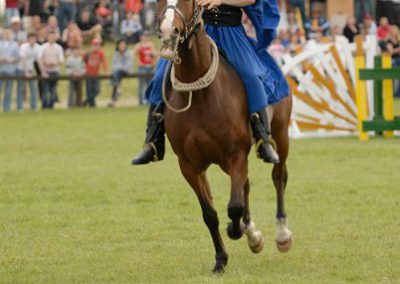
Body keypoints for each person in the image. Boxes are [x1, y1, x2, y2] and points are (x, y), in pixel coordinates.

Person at [131, 0, 289, 165]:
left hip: (230, 32)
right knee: (160, 76)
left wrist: (221, 0)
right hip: (196, 31)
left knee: (251, 75)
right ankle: (153, 140)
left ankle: (263, 137)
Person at [39, 31, 64, 109]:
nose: (52, 38)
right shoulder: (43, 47)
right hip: (45, 71)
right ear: (47, 37)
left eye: (53, 37)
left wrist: (54, 63)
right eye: (50, 37)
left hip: (55, 71)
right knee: (45, 90)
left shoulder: (58, 48)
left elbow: (61, 60)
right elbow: (40, 59)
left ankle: (51, 106)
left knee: (53, 90)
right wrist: (44, 68)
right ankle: (44, 106)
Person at [17, 33, 41, 111]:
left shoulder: (38, 47)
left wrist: (43, 71)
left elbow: (38, 60)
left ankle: (33, 107)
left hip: (30, 70)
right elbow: (23, 60)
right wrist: (26, 72)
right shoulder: (24, 47)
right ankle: (20, 107)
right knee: (21, 89)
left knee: (33, 88)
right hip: (21, 69)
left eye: (34, 38)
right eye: (31, 38)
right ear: (28, 39)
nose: (32, 40)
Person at [108, 39, 133, 107]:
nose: (122, 46)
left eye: (123, 44)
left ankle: (118, 88)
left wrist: (119, 68)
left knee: (116, 73)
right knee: (116, 74)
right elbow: (114, 64)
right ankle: (113, 100)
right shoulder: (116, 53)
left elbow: (128, 64)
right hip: (118, 72)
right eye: (121, 44)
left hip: (127, 70)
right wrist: (118, 68)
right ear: (118, 45)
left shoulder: (129, 53)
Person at [84, 37, 108, 107]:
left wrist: (106, 71)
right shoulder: (88, 53)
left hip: (96, 74)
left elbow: (104, 62)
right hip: (88, 74)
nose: (96, 46)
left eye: (98, 45)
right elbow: (83, 61)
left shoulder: (101, 53)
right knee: (89, 90)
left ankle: (86, 101)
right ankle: (92, 105)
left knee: (97, 90)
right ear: (92, 45)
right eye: (95, 44)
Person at [134, 31, 156, 105]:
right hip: (142, 67)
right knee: (141, 84)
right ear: (141, 37)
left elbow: (155, 55)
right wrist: (139, 63)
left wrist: (153, 63)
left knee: (150, 84)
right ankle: (140, 101)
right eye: (144, 36)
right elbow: (136, 55)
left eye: (147, 36)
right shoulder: (138, 45)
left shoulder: (151, 45)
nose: (146, 38)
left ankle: (149, 100)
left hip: (150, 67)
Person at [0, 28, 19, 112]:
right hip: (1, 69)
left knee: (8, 90)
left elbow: (17, 57)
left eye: (8, 33)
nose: (7, 34)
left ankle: (6, 108)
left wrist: (11, 60)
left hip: (10, 70)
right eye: (5, 33)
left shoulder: (15, 44)